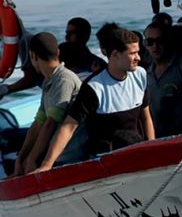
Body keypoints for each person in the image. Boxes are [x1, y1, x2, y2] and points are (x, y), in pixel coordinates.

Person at [33, 28, 155, 173]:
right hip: (105, 162)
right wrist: (47, 164)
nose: (138, 58)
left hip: (136, 153)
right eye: (132, 53)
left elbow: (145, 117)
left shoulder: (140, 75)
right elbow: (68, 127)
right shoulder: (94, 87)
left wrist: (152, 148)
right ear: (115, 54)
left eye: (138, 52)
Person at [13, 33, 84, 175]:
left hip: (70, 156)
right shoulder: (49, 81)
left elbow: (50, 123)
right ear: (58, 52)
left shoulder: (64, 80)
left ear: (32, 56)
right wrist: (22, 158)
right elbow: (39, 122)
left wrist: (32, 160)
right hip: (55, 154)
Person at [145, 22, 182, 136]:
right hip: (159, 138)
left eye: (160, 41)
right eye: (150, 42)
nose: (155, 46)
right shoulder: (147, 73)